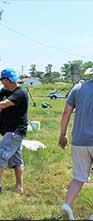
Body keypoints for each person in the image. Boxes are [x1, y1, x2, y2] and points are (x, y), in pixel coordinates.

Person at [58, 68, 93, 220]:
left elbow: (66, 112)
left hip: (79, 141)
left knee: (79, 176)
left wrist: (63, 134)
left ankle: (67, 204)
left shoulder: (78, 88)